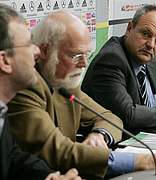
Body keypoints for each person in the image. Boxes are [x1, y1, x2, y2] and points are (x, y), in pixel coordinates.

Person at [7, 10, 156, 178]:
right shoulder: (26, 87)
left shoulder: (65, 82)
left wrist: (100, 135)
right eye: (76, 56)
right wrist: (146, 161)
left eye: (86, 55)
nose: (84, 64)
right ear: (46, 51)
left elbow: (110, 118)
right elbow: (58, 151)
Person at [0, 4, 80, 180]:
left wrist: (49, 177)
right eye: (29, 44)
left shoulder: (2, 109)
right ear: (5, 61)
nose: (37, 51)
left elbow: (14, 157)